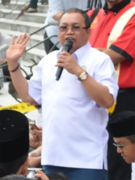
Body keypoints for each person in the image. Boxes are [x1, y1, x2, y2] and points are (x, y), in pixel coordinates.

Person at [6, 8, 118, 180]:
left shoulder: (100, 60)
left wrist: (79, 72)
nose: (69, 32)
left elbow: (107, 101)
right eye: (63, 27)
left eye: (76, 27)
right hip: (52, 158)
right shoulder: (49, 60)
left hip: (86, 160)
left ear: (88, 31)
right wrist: (13, 64)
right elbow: (29, 96)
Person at [87, 0, 135, 180]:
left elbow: (116, 55)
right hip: (91, 93)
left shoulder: (132, 13)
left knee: (118, 158)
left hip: (123, 99)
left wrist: (86, 58)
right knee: (95, 153)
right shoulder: (92, 14)